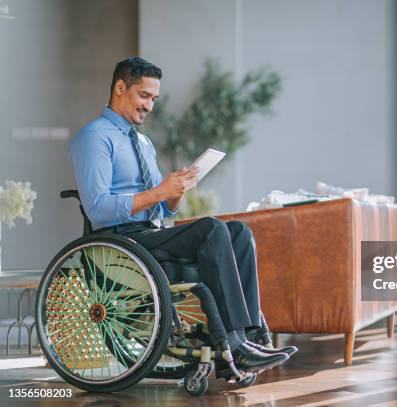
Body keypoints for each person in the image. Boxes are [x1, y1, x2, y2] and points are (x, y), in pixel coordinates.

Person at [69, 56, 296, 373]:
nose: (149, 106)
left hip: (151, 233)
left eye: (154, 99)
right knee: (211, 228)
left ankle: (252, 336)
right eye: (144, 96)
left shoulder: (144, 143)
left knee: (239, 232)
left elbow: (161, 209)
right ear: (120, 88)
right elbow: (97, 207)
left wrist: (174, 194)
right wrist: (160, 192)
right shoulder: (95, 137)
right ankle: (233, 343)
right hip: (122, 241)